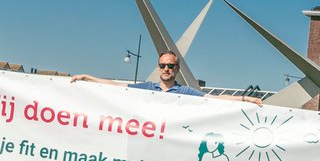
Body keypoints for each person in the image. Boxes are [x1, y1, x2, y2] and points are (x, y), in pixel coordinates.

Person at [72, 50, 264, 103]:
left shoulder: (184, 92)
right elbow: (116, 86)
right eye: (163, 65)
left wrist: (245, 98)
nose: (166, 69)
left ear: (177, 69)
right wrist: (88, 77)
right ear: (158, 67)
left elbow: (213, 99)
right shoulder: (147, 89)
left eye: (170, 66)